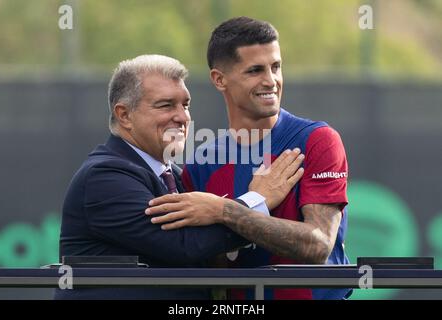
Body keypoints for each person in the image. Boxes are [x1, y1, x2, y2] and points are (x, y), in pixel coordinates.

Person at [54, 54, 304, 300]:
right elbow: (183, 245)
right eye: (166, 105)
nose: (183, 117)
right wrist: (256, 200)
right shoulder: (104, 177)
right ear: (124, 115)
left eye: (185, 105)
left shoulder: (174, 175)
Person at [147, 17, 351, 300]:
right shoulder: (201, 163)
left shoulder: (318, 140)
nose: (271, 81)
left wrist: (225, 211)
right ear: (219, 79)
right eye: (255, 70)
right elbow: (215, 273)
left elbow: (318, 246)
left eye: (276, 67)